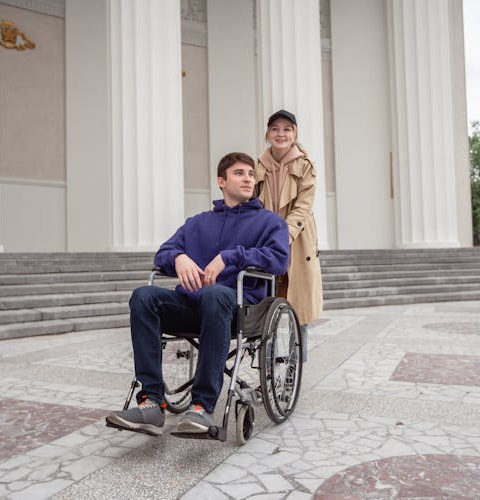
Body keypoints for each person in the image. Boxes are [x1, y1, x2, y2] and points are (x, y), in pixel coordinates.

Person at [106, 152, 289, 436]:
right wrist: (178, 258)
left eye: (251, 174)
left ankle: (202, 407)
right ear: (221, 181)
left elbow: (279, 260)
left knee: (215, 294)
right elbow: (163, 252)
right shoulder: (197, 223)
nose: (248, 178)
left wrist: (230, 257)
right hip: (194, 305)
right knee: (143, 295)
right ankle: (151, 402)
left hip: (239, 308)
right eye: (239, 173)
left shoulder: (270, 222)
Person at [255, 109, 323, 361]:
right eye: (275, 129)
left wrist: (286, 234)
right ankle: (267, 362)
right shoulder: (258, 164)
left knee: (298, 304)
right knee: (265, 301)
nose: (280, 134)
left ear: (294, 134)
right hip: (264, 238)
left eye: (287, 129)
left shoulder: (305, 165)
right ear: (268, 133)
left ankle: (296, 364)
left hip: (297, 239)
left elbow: (303, 206)